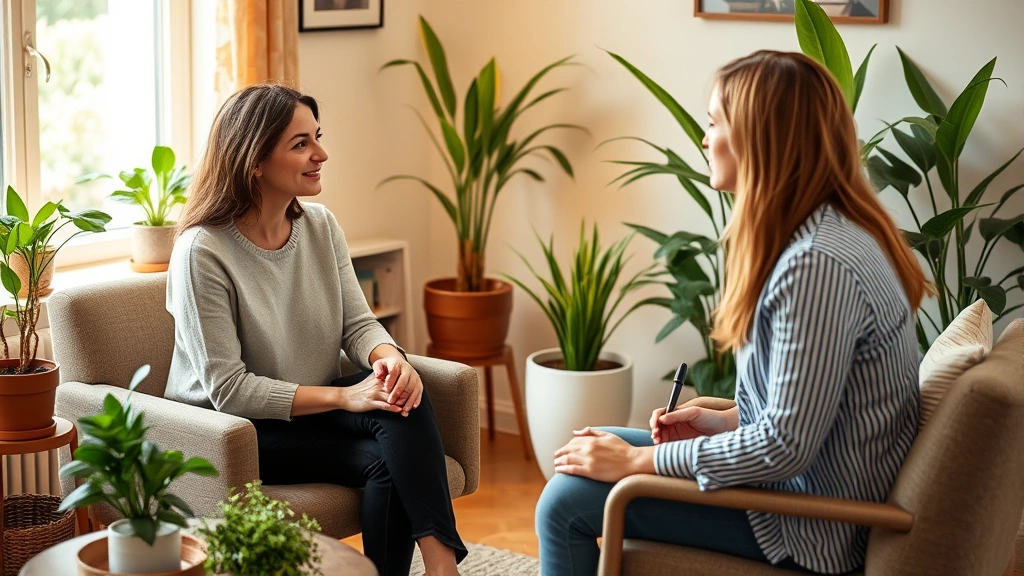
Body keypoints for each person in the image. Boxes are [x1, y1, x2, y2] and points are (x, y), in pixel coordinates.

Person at [536, 50, 928, 575]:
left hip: (809, 523)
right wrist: (721, 421)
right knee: (583, 454)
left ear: (759, 139)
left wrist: (637, 461)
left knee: (565, 503)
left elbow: (785, 446)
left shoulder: (816, 265)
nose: (705, 139)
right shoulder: (828, 236)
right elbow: (811, 407)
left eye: (715, 123)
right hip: (796, 491)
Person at [165, 83, 467, 576]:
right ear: (254, 160)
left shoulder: (320, 225)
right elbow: (229, 390)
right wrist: (347, 397)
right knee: (385, 455)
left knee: (399, 395)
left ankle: (441, 567)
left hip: (309, 408)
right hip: (234, 431)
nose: (321, 154)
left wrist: (390, 359)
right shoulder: (202, 252)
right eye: (300, 144)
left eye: (317, 138)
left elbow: (358, 324)